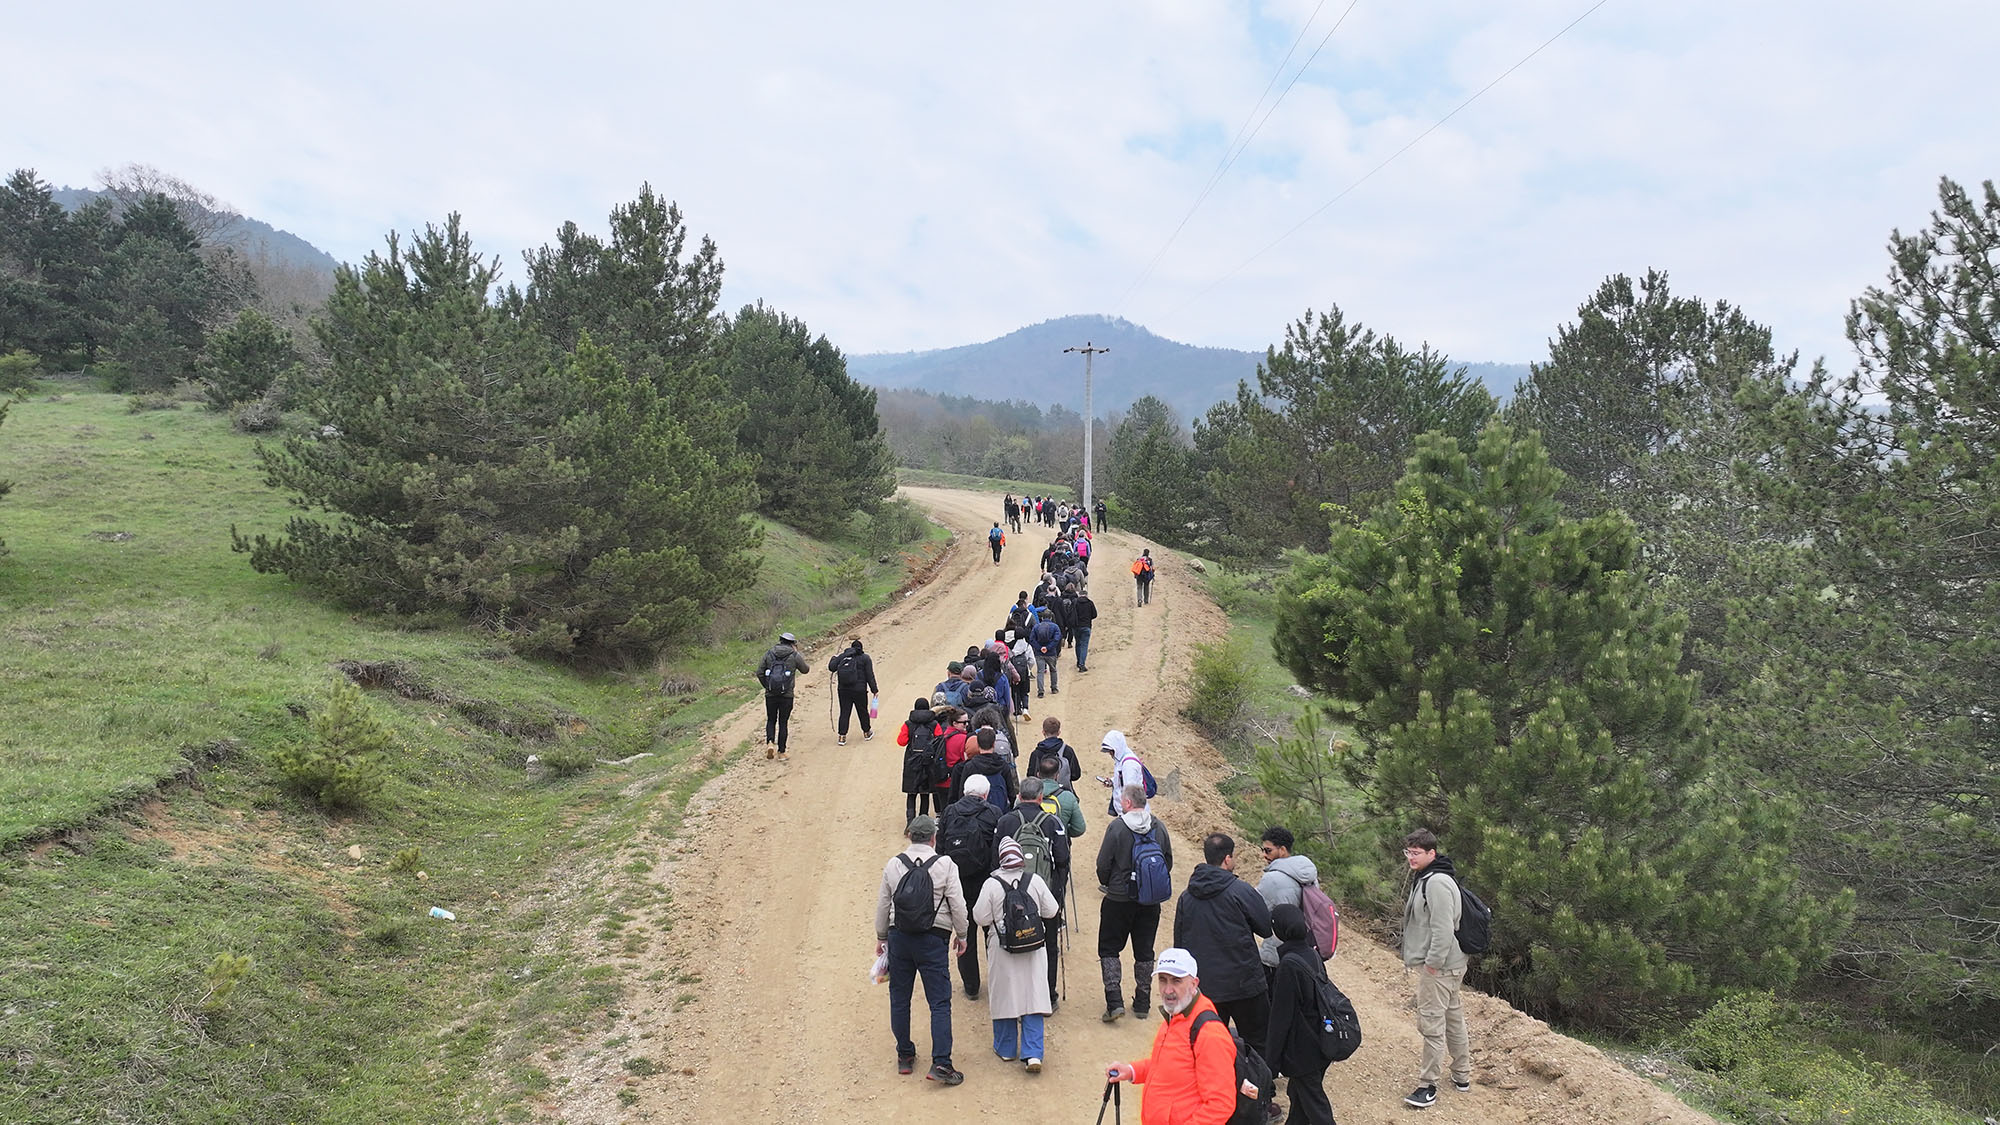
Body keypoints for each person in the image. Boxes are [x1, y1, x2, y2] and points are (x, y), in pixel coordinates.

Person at [875, 815, 970, 1085]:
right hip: (933, 939)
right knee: (939, 1002)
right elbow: (958, 904)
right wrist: (961, 934)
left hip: (900, 937)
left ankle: (905, 1055)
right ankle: (941, 1063)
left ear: (909, 836)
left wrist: (882, 936)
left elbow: (883, 904)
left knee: (900, 997)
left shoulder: (894, 864)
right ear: (933, 838)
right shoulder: (945, 864)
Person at [1103, 948, 1238, 1125]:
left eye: (1176, 981)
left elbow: (1221, 1104)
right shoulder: (1177, 1014)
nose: (1167, 990)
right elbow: (1167, 1065)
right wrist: (1131, 1071)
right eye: (1162, 980)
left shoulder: (1209, 1033)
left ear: (1194, 983)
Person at [1174, 834, 1275, 1064]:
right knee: (1257, 1041)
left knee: (1207, 1043)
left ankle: (1214, 1091)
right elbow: (1265, 928)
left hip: (1206, 988)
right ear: (1228, 859)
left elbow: (1180, 947)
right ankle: (1259, 1095)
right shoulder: (1241, 891)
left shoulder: (1186, 898)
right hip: (1245, 984)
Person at [971, 836, 1063, 1072]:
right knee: (1033, 995)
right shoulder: (1035, 880)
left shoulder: (991, 884)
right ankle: (1033, 1053)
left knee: (1004, 994)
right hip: (1033, 945)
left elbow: (980, 917)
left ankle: (1006, 1048)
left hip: (1002, 948)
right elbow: (1052, 910)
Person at [1402, 828, 1472, 1108]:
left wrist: (1432, 964)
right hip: (1449, 965)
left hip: (1441, 966)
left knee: (1431, 1023)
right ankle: (1462, 1075)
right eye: (1408, 852)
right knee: (1453, 1018)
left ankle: (1427, 1085)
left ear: (1432, 853)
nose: (1411, 857)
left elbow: (1444, 928)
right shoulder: (1428, 877)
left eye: (1417, 852)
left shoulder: (1437, 882)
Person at [1097, 783, 1173, 1021]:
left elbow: (1103, 864)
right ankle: (1142, 1001)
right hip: (1149, 901)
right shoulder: (1158, 826)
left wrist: (1110, 884)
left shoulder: (1118, 827)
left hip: (1119, 899)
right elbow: (1167, 861)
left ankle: (1114, 1001)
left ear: (1128, 803)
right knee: (1144, 950)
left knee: (1109, 947)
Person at [997, 777, 1071, 1008]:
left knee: (1011, 941)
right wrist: (1057, 892)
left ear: (1019, 797)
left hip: (1012, 896)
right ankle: (1048, 996)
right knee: (1048, 944)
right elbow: (1062, 859)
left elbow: (994, 859)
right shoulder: (1053, 822)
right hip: (1045, 893)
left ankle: (1014, 996)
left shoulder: (1006, 821)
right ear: (1041, 798)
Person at [1265, 903, 1338, 1125]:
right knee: (1299, 1100)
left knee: (1316, 1107)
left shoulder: (1288, 965)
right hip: (1321, 1041)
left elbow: (1281, 1018)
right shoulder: (1312, 954)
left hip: (1303, 1050)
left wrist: (1271, 1063)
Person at [941, 775, 1002, 1000]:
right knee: (992, 934)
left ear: (964, 791)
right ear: (985, 794)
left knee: (964, 933)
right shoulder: (994, 813)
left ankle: (971, 985)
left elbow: (941, 850)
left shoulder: (949, 812)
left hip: (959, 884)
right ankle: (996, 980)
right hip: (986, 882)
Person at [1256, 827, 1320, 979]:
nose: (1263, 855)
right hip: (1306, 951)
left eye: (1268, 850)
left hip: (1277, 954)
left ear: (1282, 850)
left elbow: (1255, 910)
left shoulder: (1272, 879)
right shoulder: (1308, 875)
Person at [754, 631, 810, 761]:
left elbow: (759, 672)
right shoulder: (794, 655)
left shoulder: (769, 653)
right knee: (783, 722)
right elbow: (805, 670)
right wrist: (797, 653)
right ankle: (781, 752)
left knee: (771, 719)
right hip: (787, 694)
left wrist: (767, 686)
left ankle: (769, 742)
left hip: (770, 694)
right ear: (792, 643)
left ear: (780, 641)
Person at [897, 698, 946, 821]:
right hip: (927, 761)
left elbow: (901, 742)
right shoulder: (934, 724)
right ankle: (922, 819)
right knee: (925, 793)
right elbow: (940, 741)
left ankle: (910, 822)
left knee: (911, 793)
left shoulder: (908, 723)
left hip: (911, 761)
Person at [828, 637, 879, 746]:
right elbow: (870, 675)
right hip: (859, 690)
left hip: (843, 690)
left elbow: (831, 667)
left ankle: (842, 737)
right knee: (862, 711)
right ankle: (866, 733)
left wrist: (834, 657)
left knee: (844, 712)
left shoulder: (843, 657)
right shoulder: (865, 658)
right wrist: (874, 690)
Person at [951, 726, 1017, 809]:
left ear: (978, 744)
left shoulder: (970, 766)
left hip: (975, 812)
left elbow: (962, 793)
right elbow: (1011, 793)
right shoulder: (1003, 765)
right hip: (999, 811)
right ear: (994, 744)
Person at [1101, 730, 1151, 815]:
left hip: (1132, 813)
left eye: (1111, 750)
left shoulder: (1129, 764)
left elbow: (1130, 791)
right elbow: (1123, 779)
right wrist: (1113, 781)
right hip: (1127, 812)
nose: (1110, 753)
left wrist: (1128, 814)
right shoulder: (1122, 759)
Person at [1030, 717, 1083, 792]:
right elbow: (1076, 775)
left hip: (1041, 793)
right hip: (1063, 791)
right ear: (1058, 732)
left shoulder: (1036, 753)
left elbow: (1031, 776)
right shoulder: (1068, 750)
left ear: (1043, 732)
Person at [1029, 610, 1063, 697]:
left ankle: (1040, 691)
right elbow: (1057, 639)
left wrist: (1040, 648)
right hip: (1051, 652)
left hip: (1039, 653)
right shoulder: (1055, 626)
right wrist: (1048, 648)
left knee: (1040, 672)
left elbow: (1032, 639)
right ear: (1051, 617)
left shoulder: (1036, 627)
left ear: (1042, 618)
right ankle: (1054, 687)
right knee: (1053, 670)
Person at [1071, 586, 1099, 672]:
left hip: (1076, 626)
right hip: (1086, 626)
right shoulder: (1090, 603)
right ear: (1086, 595)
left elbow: (1071, 614)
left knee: (1078, 644)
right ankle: (1082, 664)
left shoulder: (1075, 602)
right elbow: (1094, 615)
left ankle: (1079, 661)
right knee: (1084, 645)